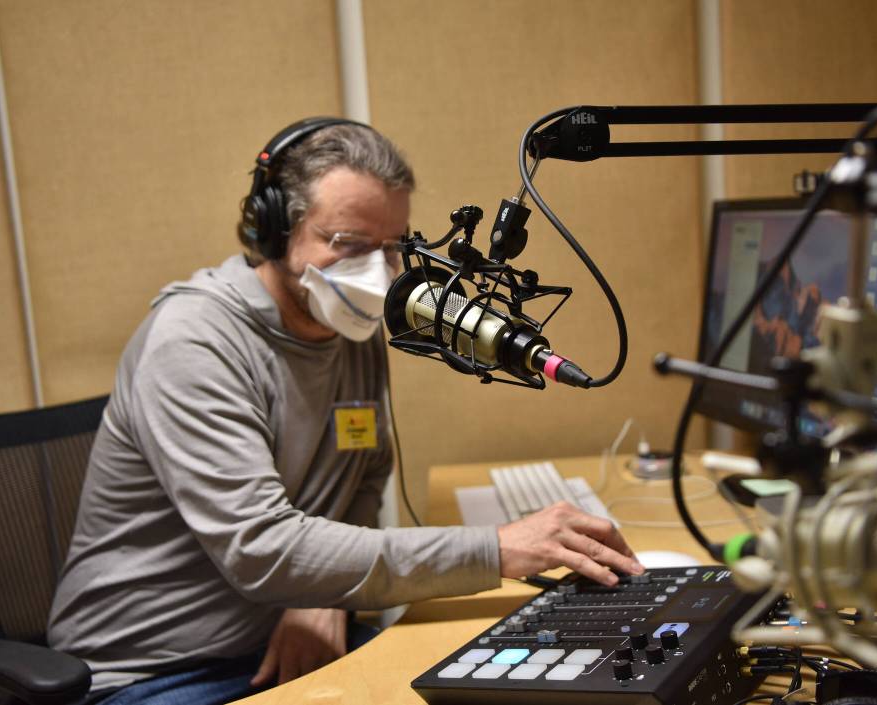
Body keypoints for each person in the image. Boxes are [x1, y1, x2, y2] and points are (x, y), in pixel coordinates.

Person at [47, 118, 642, 705]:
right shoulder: (194, 343)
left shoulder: (350, 333)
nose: (380, 277)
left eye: (393, 248)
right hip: (156, 669)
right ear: (276, 228)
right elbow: (263, 549)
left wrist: (323, 595)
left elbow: (364, 474)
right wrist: (498, 547)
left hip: (291, 629)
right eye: (350, 246)